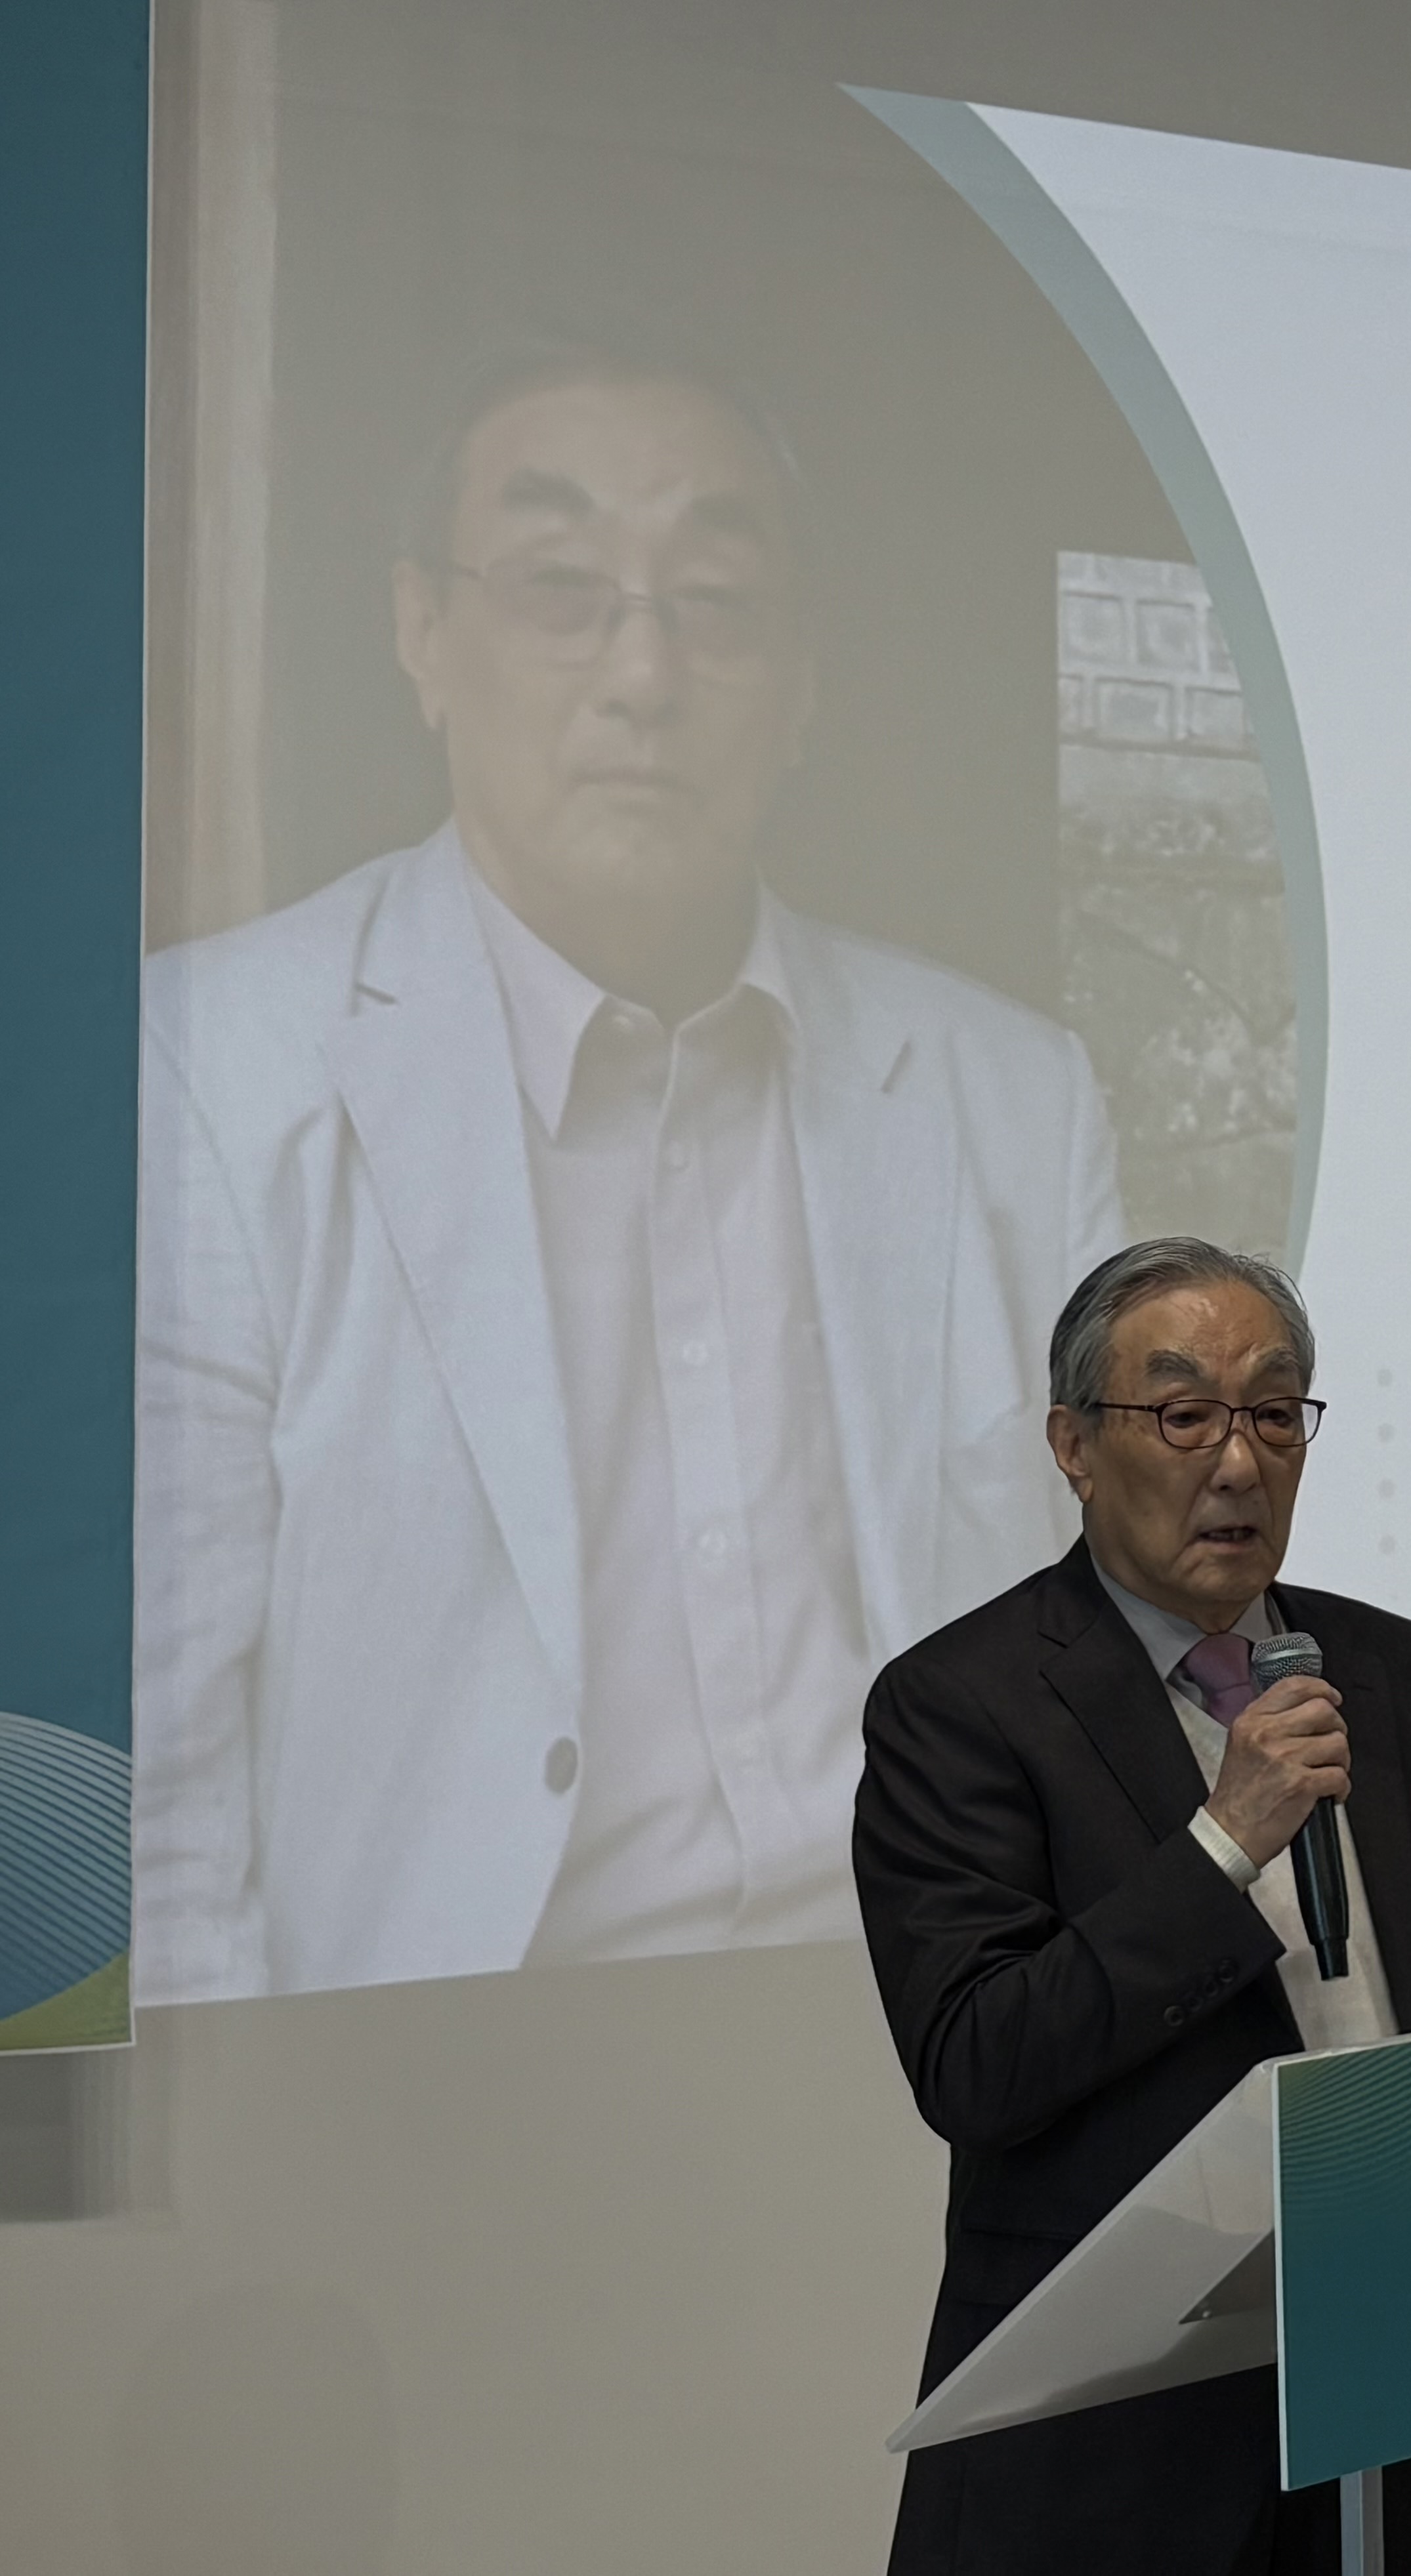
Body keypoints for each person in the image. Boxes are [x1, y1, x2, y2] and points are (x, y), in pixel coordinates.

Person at [133, 334, 1126, 2000]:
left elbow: (1117, 1660)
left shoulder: (1013, 1096)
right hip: (471, 2064)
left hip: (944, 2019)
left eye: (714, 601)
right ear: (423, 635)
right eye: (559, 587)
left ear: (800, 680)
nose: (642, 674)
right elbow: (155, 1808)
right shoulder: (208, 1071)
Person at [854, 1238, 1411, 2576]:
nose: (1238, 1461)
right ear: (1074, 1444)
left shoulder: (1397, 1668)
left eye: (1274, 1413)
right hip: (1111, 2472)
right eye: (1182, 1414)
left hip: (1389, 2425)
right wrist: (1223, 1841)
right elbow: (979, 2062)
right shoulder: (959, 1704)